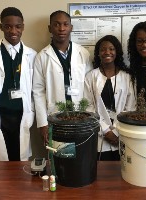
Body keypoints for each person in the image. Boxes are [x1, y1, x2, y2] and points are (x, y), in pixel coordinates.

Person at [0, 7, 37, 161]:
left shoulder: (31, 55)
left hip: (21, 115)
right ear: (1, 27)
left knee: (20, 162)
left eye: (17, 26)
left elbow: (35, 89)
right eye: (8, 26)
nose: (13, 31)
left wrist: (31, 111)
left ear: (23, 26)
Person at [33, 10, 92, 145]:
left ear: (71, 27)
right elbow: (38, 92)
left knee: (81, 156)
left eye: (65, 24)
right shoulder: (42, 57)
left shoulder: (83, 53)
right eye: (56, 24)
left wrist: (89, 115)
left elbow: (89, 87)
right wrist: (42, 123)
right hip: (55, 117)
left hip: (81, 116)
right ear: (50, 28)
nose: (61, 28)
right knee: (59, 157)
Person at [84, 35, 136, 161]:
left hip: (122, 134)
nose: (107, 52)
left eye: (111, 49)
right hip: (99, 135)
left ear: (117, 52)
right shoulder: (91, 76)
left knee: (123, 170)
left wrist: (117, 131)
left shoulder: (127, 77)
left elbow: (130, 107)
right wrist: (106, 130)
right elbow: (88, 107)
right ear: (98, 53)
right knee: (101, 173)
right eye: (103, 49)